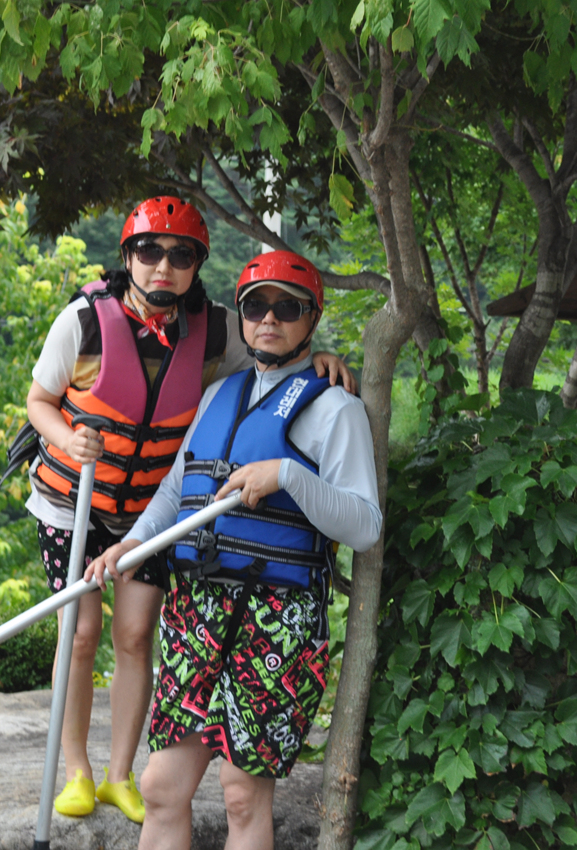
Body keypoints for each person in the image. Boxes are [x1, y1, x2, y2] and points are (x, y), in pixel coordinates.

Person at [20, 199, 355, 823]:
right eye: (149, 251)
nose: (163, 267)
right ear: (127, 257)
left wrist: (324, 359)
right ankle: (76, 771)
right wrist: (69, 440)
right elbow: (39, 401)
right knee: (80, 633)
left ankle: (119, 776)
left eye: (180, 256)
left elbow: (274, 352)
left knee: (136, 634)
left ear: (196, 266)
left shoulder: (219, 329)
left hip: (150, 509)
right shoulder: (84, 321)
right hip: (74, 503)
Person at [86, 250, 382, 848]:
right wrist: (134, 543)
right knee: (162, 785)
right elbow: (178, 489)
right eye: (255, 306)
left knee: (242, 793)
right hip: (197, 608)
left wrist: (288, 475)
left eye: (288, 307)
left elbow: (365, 526)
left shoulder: (336, 408)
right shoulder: (220, 393)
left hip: (276, 619)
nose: (269, 318)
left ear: (312, 317)